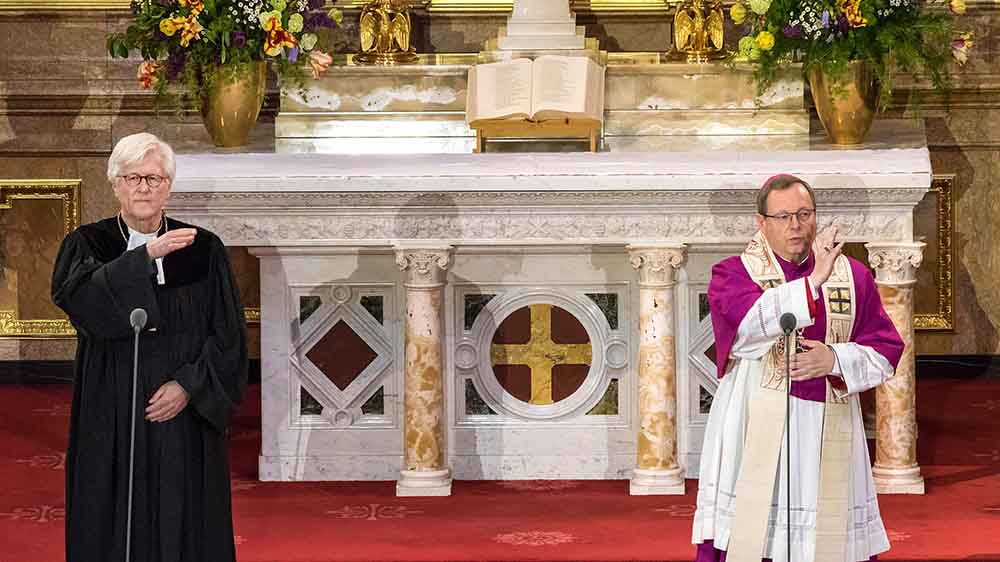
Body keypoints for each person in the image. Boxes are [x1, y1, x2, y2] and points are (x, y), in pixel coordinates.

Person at [52, 132, 248, 562]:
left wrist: (189, 386)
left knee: (184, 506)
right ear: (115, 183)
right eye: (133, 177)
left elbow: (229, 334)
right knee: (113, 502)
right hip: (114, 402)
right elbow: (81, 303)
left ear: (169, 186)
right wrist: (144, 258)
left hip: (183, 409)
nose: (144, 187)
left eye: (155, 178)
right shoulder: (87, 244)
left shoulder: (204, 247)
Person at [690, 174, 905, 562]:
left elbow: (887, 350)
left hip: (828, 424)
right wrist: (814, 281)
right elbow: (747, 330)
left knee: (829, 534)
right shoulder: (733, 274)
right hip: (753, 418)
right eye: (784, 216)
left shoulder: (853, 277)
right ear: (761, 222)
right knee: (752, 531)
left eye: (804, 214)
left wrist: (835, 359)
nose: (796, 226)